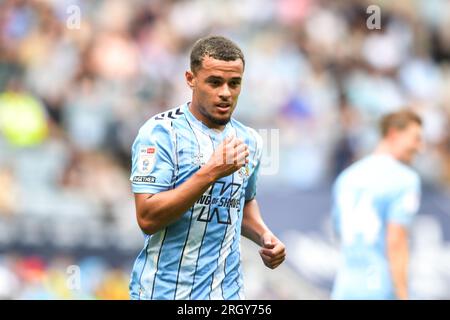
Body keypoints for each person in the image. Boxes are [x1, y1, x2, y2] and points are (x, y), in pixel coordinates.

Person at [129, 36, 286, 300]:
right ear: (191, 79)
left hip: (227, 294)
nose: (225, 92)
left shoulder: (250, 140)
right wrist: (211, 172)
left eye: (234, 83)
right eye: (215, 82)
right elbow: (147, 218)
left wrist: (265, 236)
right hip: (164, 292)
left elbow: (242, 203)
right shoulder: (160, 133)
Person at [331, 109, 423, 300]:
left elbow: (338, 232)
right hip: (379, 287)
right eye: (415, 138)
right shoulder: (405, 179)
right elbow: (396, 243)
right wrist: (403, 294)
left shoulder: (346, 177)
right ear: (394, 134)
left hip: (344, 288)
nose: (419, 147)